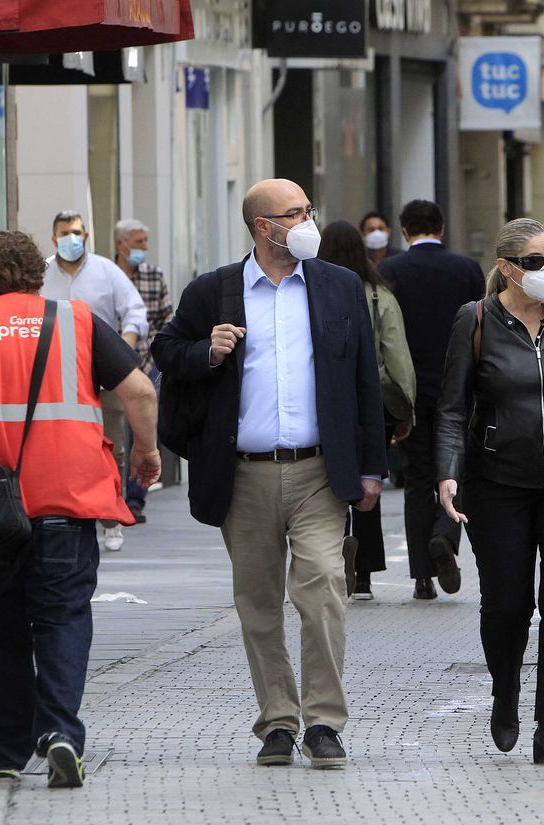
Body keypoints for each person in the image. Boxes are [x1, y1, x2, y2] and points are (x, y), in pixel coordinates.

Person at [0, 231, 160, 788]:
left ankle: (4, 750)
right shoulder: (77, 320)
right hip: (66, 498)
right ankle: (62, 731)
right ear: (37, 276)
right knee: (62, 617)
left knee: (1, 626)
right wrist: (146, 449)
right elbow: (139, 391)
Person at [152, 179, 386, 769]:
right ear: (264, 227)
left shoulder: (338, 287)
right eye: (296, 213)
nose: (309, 220)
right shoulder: (215, 292)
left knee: (324, 589)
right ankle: (278, 722)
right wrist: (208, 349)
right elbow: (167, 351)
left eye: (310, 209)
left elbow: (364, 378)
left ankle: (325, 721)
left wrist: (371, 467)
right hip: (244, 475)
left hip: (317, 471)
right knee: (258, 602)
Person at [436, 218, 544, 766]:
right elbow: (453, 407)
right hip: (498, 481)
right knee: (508, 605)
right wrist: (447, 470)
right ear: (505, 268)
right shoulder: (475, 319)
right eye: (533, 262)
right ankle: (506, 690)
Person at [379, 200, 485, 600]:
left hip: (410, 391)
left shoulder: (390, 271)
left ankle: (422, 578)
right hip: (458, 388)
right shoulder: (466, 270)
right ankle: (444, 534)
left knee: (418, 477)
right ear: (441, 228)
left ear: (404, 231)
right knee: (455, 469)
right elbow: (481, 325)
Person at [318, 220, 415, 601]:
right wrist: (407, 408)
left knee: (327, 481)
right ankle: (364, 575)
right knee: (368, 478)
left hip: (326, 401)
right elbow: (397, 355)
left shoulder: (314, 291)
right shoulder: (378, 295)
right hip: (369, 398)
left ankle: (332, 550)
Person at [41, 210, 148, 552]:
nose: (72, 238)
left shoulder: (106, 271)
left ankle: (111, 519)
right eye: (65, 232)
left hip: (103, 374)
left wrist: (123, 347)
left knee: (110, 447)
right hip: (54, 377)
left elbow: (135, 310)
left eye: (77, 232)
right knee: (59, 446)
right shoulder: (41, 273)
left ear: (85, 236)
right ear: (54, 238)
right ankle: (65, 514)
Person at [113, 218, 173, 524]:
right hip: (110, 369)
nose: (144, 249)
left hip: (146, 365)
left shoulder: (154, 276)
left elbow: (167, 318)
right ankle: (112, 496)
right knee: (112, 433)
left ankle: (134, 501)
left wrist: (161, 356)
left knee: (143, 429)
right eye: (139, 243)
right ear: (121, 245)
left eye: (145, 242)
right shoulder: (107, 276)